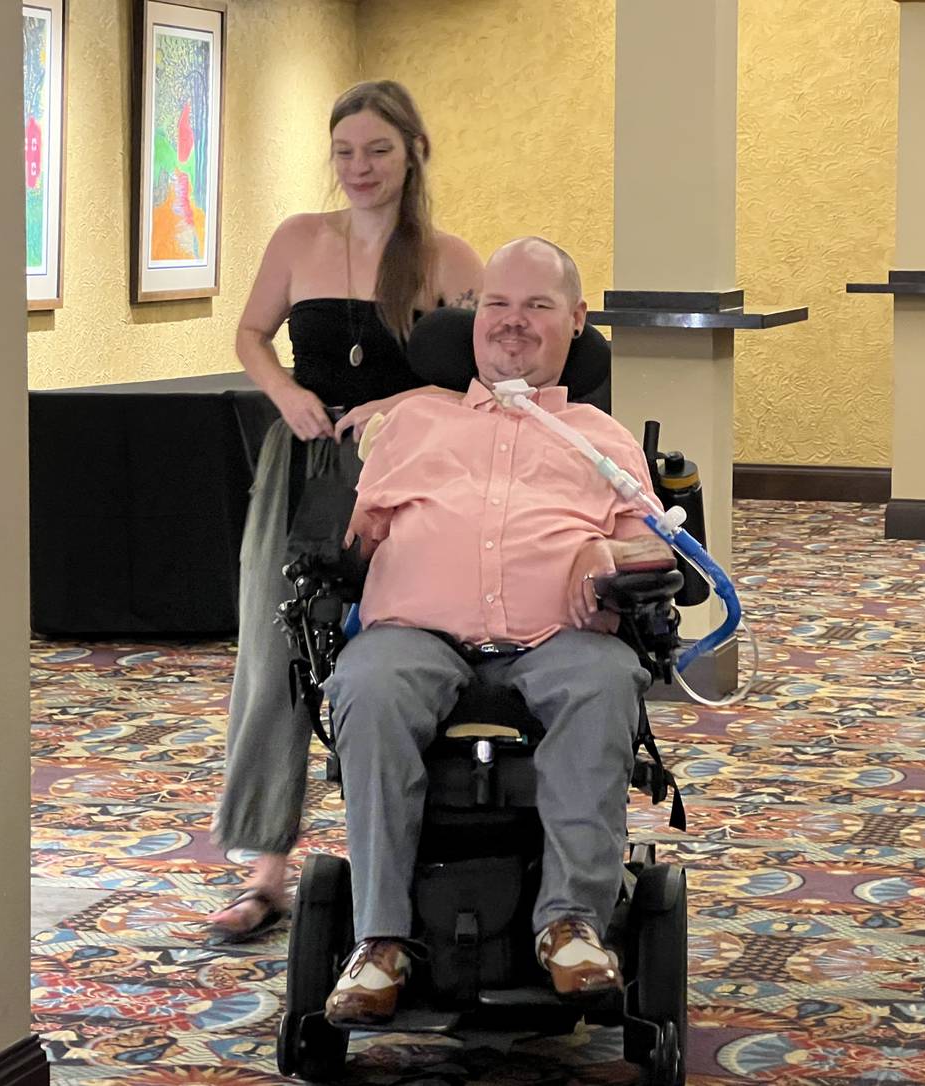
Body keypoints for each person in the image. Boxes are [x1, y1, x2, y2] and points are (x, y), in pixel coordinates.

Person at [318, 238, 674, 1026]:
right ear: (472, 320)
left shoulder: (602, 440)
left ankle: (570, 925)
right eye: (497, 305)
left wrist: (606, 549)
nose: (513, 323)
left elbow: (663, 548)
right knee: (367, 685)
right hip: (415, 633)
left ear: (575, 322)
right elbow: (350, 539)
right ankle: (380, 940)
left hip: (562, 638)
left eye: (538, 306)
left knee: (605, 682)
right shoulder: (412, 421)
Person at [207, 80, 483, 943]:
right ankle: (264, 870)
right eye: (346, 153)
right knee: (277, 656)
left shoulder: (451, 260)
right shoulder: (299, 238)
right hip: (303, 472)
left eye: (378, 151)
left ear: (414, 153)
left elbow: (482, 385)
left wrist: (405, 408)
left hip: (411, 479)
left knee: (407, 653)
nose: (359, 168)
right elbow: (251, 335)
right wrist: (285, 391)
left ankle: (423, 860)